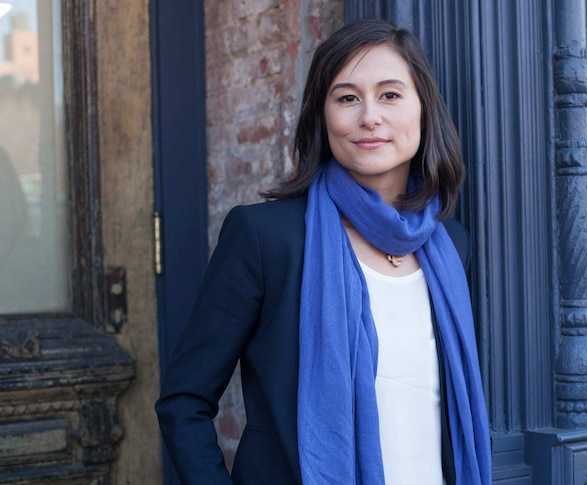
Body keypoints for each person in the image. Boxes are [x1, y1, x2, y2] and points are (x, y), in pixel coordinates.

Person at [155, 18, 492, 484]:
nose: (369, 116)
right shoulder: (266, 237)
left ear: (423, 110)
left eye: (390, 95)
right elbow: (184, 401)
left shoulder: (449, 243)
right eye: (347, 97)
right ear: (323, 116)